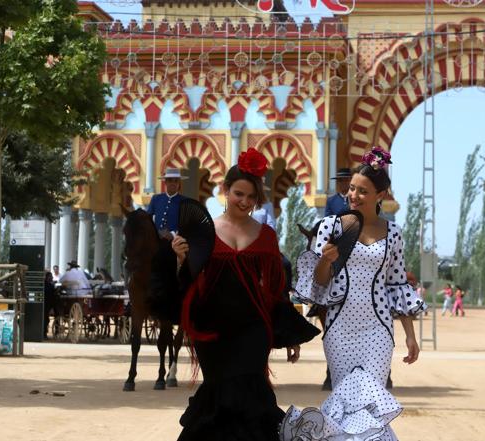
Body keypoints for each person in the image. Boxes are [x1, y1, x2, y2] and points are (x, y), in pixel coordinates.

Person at [157, 148, 320, 441]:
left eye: (251, 197)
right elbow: (188, 284)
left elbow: (275, 290)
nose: (245, 202)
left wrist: (289, 336)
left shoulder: (267, 235)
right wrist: (180, 260)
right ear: (225, 190)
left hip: (253, 331)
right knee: (219, 397)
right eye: (238, 194)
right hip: (212, 333)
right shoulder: (201, 231)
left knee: (253, 399)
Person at [286, 146, 426, 440]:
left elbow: (397, 284)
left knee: (371, 404)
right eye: (351, 189)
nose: (353, 195)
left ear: (381, 195)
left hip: (378, 330)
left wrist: (410, 335)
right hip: (339, 329)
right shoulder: (330, 227)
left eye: (362, 191)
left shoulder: (394, 234)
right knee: (345, 405)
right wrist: (325, 259)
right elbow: (319, 284)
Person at [146, 167, 188, 234]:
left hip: (175, 241)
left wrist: (173, 234)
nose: (173, 183)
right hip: (156, 239)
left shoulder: (185, 202)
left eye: (176, 181)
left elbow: (187, 223)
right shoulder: (156, 198)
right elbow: (147, 219)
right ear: (165, 182)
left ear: (179, 183)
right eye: (170, 180)